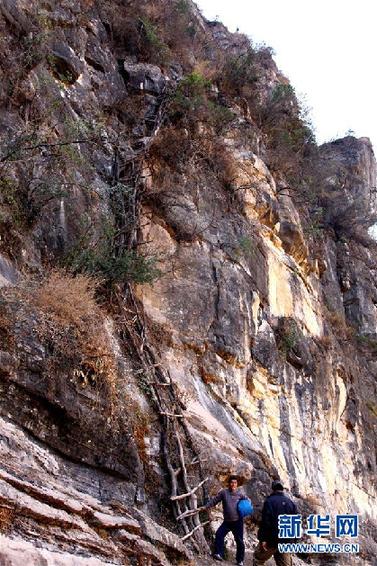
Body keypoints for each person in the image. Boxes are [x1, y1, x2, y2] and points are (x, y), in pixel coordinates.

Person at [205, 475, 249, 566]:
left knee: (239, 540)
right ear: (229, 484)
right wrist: (207, 506)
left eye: (235, 483)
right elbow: (215, 500)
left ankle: (240, 560)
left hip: (238, 522)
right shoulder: (224, 493)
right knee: (219, 534)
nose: (233, 484)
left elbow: (247, 503)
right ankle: (219, 553)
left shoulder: (240, 494)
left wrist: (245, 509)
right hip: (227, 521)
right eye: (232, 482)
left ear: (237, 484)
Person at [253, 480, 298, 566]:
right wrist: (293, 541)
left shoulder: (269, 501)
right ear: (282, 489)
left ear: (273, 489)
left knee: (258, 559)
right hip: (286, 541)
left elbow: (266, 522)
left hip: (271, 540)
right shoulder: (291, 503)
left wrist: (263, 539)